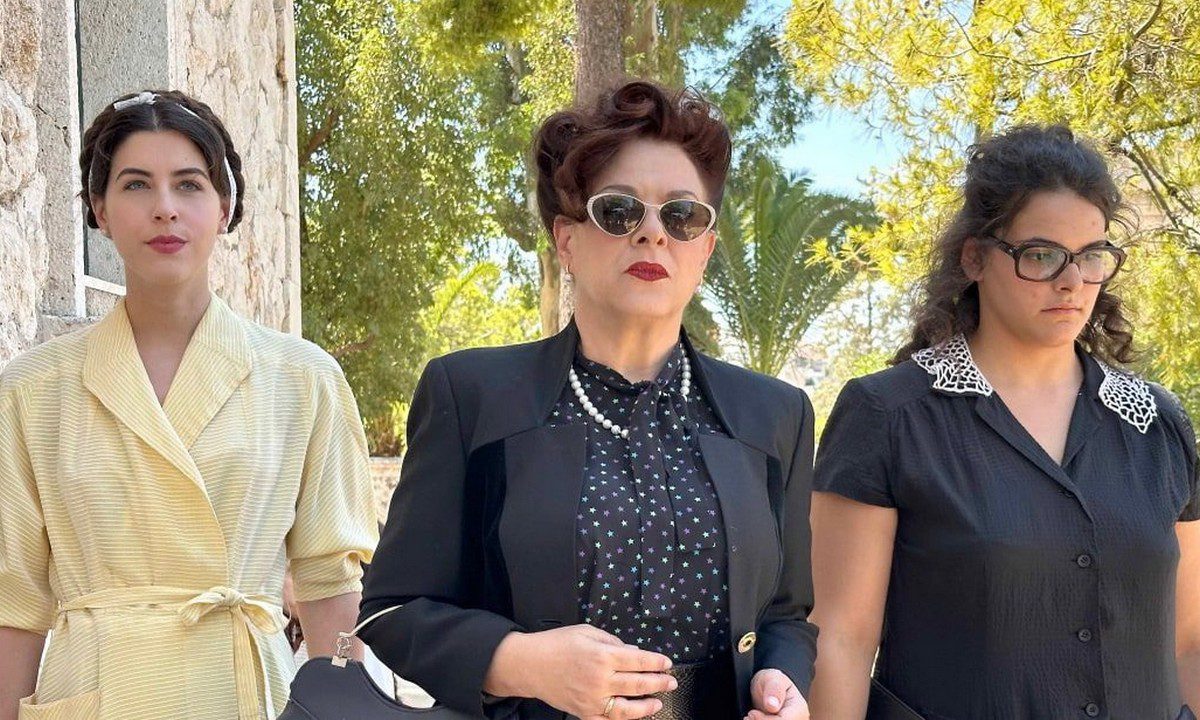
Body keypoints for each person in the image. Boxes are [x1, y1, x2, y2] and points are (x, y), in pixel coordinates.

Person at [359, 80, 817, 720]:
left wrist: (781, 680)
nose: (653, 233)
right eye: (620, 211)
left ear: (705, 251)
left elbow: (787, 615)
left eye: (682, 215)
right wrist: (523, 661)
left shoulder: (777, 416)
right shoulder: (470, 395)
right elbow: (392, 610)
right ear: (567, 240)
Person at [0, 90, 378, 720]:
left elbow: (329, 583)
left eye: (189, 184)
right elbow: (13, 602)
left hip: (242, 693)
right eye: (136, 185)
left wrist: (347, 711)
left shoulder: (304, 379)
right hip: (95, 696)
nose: (164, 208)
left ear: (224, 207)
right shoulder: (31, 390)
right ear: (99, 209)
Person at [807, 124, 1200, 720]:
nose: (1072, 281)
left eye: (1092, 256)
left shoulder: (1158, 426)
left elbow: (1188, 641)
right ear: (975, 258)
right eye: (1041, 255)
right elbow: (840, 638)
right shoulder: (888, 417)